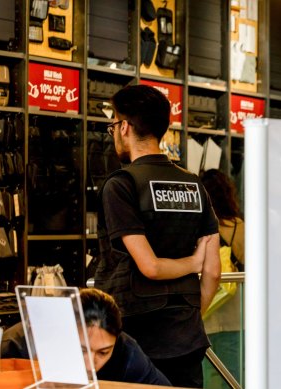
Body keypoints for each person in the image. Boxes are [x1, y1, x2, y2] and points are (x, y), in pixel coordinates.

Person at [93, 85, 221, 388]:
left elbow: (149, 265)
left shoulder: (121, 185)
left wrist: (191, 264)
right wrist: (186, 318)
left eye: (113, 125)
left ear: (124, 127)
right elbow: (213, 271)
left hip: (135, 340)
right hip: (186, 341)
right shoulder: (194, 185)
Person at [0, 289, 171, 386]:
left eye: (103, 353)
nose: (90, 365)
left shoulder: (127, 352)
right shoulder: (17, 345)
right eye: (80, 350)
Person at [200, 169, 245, 388]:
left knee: (207, 377)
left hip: (204, 311)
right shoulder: (242, 228)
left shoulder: (199, 228)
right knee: (234, 377)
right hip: (234, 314)